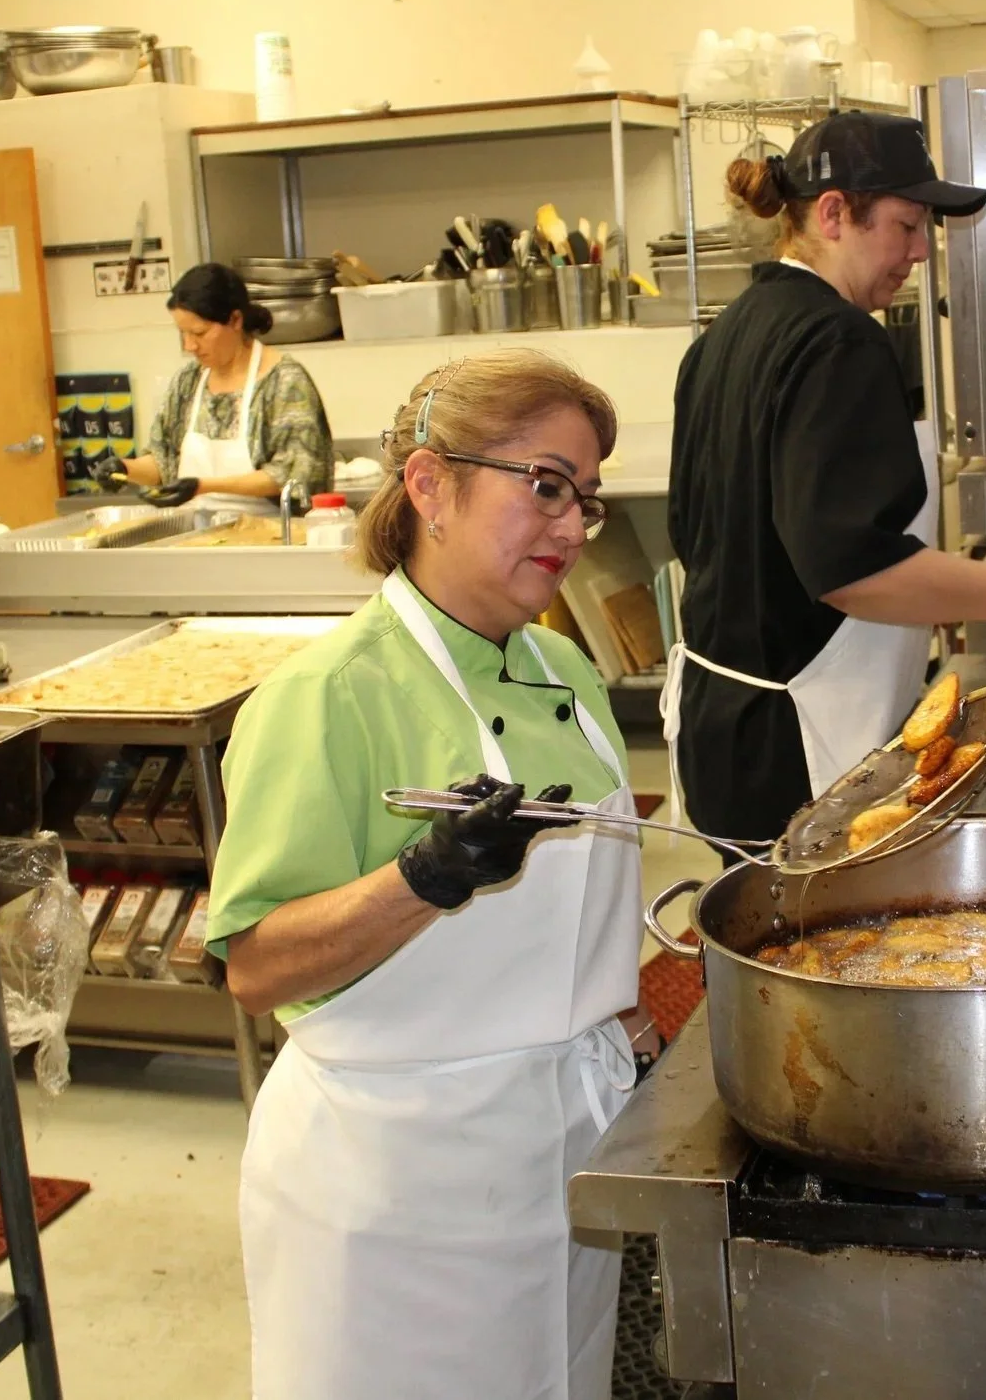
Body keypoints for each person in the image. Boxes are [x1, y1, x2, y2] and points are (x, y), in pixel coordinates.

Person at [207, 351, 658, 1400]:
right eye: (544, 484)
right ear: (427, 485)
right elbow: (255, 965)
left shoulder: (564, 667)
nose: (569, 525)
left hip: (562, 1159)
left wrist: (624, 1019)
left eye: (583, 498)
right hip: (401, 1184)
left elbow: (570, 914)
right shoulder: (326, 694)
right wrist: (424, 874)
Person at [667, 110, 986, 844]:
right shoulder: (841, 341)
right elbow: (850, 567)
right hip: (805, 742)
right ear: (835, 212)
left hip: (723, 732)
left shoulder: (729, 330)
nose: (919, 253)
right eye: (905, 227)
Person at [104, 262, 332, 509]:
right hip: (196, 537)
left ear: (235, 320)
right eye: (183, 334)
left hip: (269, 536)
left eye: (199, 333)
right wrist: (125, 468)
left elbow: (296, 474)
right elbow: (163, 462)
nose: (190, 346)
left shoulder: (285, 382)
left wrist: (203, 487)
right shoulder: (188, 381)